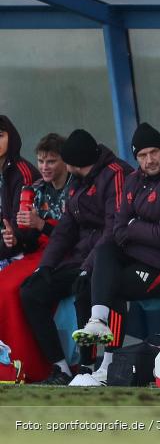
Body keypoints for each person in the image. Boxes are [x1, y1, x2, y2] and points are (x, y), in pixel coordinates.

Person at [69, 123, 160, 387]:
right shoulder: (134, 180)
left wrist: (134, 227)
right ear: (135, 158)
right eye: (142, 155)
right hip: (148, 257)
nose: (149, 160)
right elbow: (117, 228)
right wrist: (136, 230)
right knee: (102, 256)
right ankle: (96, 331)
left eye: (154, 153)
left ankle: (108, 366)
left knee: (112, 286)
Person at [19, 129, 133, 386]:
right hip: (80, 257)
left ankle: (91, 366)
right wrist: (45, 266)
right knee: (31, 291)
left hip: (107, 258)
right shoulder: (79, 181)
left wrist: (87, 266)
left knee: (86, 286)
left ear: (74, 163)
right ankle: (60, 368)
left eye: (61, 162)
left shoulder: (116, 174)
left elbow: (114, 228)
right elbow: (65, 230)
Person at [0, 133, 69, 383]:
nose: (44, 167)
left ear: (64, 161)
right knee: (3, 283)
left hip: (65, 254)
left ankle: (32, 365)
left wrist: (42, 225)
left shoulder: (76, 188)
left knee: (14, 290)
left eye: (51, 161)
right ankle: (8, 365)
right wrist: (15, 239)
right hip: (37, 252)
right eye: (40, 161)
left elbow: (77, 234)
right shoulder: (35, 190)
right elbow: (29, 236)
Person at [0, 115, 38, 269]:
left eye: (0, 136)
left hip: (24, 251)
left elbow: (21, 232)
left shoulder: (23, 174)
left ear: (12, 138)